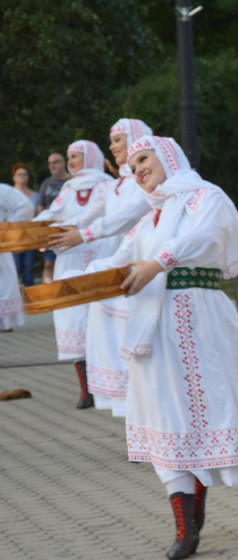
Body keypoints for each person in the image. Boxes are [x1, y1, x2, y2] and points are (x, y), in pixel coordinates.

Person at [100, 135, 238, 560]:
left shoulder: (206, 196)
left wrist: (159, 262)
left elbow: (204, 236)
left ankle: (196, 502)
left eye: (143, 159)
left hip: (199, 317)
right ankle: (185, 524)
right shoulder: (151, 215)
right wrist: (65, 285)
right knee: (163, 412)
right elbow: (118, 257)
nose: (138, 170)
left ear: (168, 156)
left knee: (200, 410)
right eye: (132, 167)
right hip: (152, 322)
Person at [50, 119, 153, 417]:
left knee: (137, 348)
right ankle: (138, 425)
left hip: (142, 268)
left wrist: (82, 235)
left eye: (119, 139)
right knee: (115, 343)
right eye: (111, 141)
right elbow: (90, 215)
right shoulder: (119, 184)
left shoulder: (139, 183)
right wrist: (52, 231)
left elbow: (126, 218)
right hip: (119, 266)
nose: (113, 146)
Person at [34, 141, 116, 408]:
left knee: (100, 317)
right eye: (68, 157)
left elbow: (95, 214)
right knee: (72, 318)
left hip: (100, 253)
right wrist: (27, 230)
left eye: (75, 156)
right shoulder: (68, 188)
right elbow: (51, 212)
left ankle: (107, 384)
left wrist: (71, 226)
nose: (70, 162)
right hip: (69, 259)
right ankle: (86, 389)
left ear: (91, 157)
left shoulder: (107, 185)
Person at [0, 183, 33, 331]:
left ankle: (4, 322)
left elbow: (25, 206)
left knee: (3, 281)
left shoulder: (2, 190)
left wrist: (9, 229)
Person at [36, 152, 71, 284]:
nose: (52, 165)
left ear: (63, 163)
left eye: (55, 162)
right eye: (50, 163)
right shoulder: (47, 183)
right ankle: (48, 289)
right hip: (50, 230)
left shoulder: (72, 181)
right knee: (49, 263)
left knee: (67, 262)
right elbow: (40, 206)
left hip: (68, 229)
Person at [10, 163, 39, 286]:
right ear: (14, 177)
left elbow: (39, 215)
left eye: (24, 174)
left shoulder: (35, 196)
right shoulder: (8, 195)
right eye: (19, 174)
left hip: (30, 236)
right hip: (12, 236)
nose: (22, 176)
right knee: (14, 268)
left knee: (28, 269)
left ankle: (29, 299)